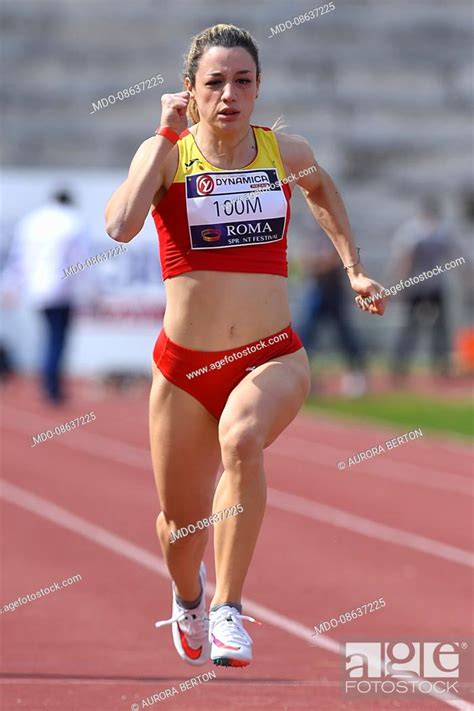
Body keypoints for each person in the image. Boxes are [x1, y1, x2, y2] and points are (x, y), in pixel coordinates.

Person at [105, 24, 387, 669]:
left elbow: (321, 190)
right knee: (180, 526)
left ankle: (230, 609)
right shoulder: (167, 154)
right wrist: (163, 138)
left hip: (271, 356)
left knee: (241, 441)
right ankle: (189, 596)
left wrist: (352, 267)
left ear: (259, 88)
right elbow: (120, 226)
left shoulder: (284, 151)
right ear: (189, 90)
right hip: (184, 368)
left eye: (243, 81)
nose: (229, 94)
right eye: (215, 82)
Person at [1, 190, 85, 403]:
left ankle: (48, 382)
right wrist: (89, 291)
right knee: (57, 338)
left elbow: (18, 258)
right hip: (62, 288)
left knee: (49, 336)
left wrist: (11, 286)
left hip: (36, 288)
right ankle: (51, 386)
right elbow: (81, 260)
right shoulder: (73, 222)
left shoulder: (31, 222)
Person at [390, 197, 459, 378]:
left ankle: (401, 365)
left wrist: (400, 284)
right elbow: (455, 256)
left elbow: (405, 260)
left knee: (412, 327)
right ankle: (440, 364)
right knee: (436, 327)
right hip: (432, 284)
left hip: (417, 284)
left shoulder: (412, 230)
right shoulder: (440, 231)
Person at [296, 228, 368, 397]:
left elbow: (335, 261)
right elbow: (304, 260)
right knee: (306, 337)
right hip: (317, 293)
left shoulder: (338, 238)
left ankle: (356, 375)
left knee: (346, 337)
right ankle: (306, 377)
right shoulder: (314, 238)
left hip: (334, 294)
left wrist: (319, 264)